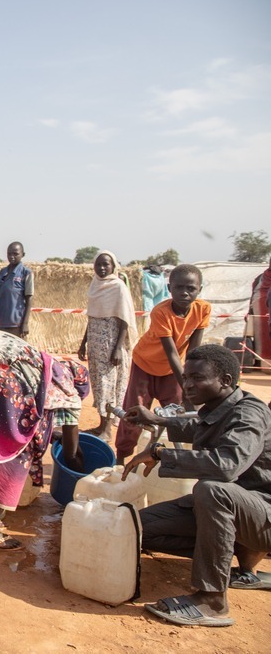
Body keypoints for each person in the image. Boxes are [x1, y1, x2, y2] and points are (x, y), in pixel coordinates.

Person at [122, 344, 271, 627]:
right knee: (137, 528)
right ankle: (225, 561)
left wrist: (160, 453)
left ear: (225, 381)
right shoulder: (219, 409)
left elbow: (227, 465)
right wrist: (158, 420)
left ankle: (212, 601)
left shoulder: (250, 413)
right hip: (236, 513)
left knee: (212, 489)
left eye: (197, 378)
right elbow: (200, 429)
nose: (187, 385)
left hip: (263, 517)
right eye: (186, 377)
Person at [0, 329, 86, 551]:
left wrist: (50, 433)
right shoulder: (68, 386)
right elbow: (71, 453)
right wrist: (80, 471)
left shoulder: (45, 366)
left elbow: (38, 410)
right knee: (15, 451)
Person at [116, 264, 210, 463]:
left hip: (171, 371)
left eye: (191, 288)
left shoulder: (203, 309)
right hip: (145, 364)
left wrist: (190, 381)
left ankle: (170, 460)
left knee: (177, 414)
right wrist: (187, 382)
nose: (185, 292)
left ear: (199, 290)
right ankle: (121, 458)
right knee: (134, 412)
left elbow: (194, 350)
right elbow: (171, 353)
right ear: (169, 288)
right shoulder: (161, 312)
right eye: (179, 287)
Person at [78, 251, 139, 438]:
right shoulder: (95, 285)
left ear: (114, 267)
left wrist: (119, 348)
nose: (102, 268)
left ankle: (107, 430)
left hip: (111, 343)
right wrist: (83, 343)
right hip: (96, 343)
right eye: (99, 264)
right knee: (98, 383)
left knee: (109, 385)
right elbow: (92, 317)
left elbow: (124, 320)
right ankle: (100, 424)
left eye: (106, 264)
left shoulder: (118, 287)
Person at [0, 241, 34, 337]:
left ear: (23, 255)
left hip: (17, 324)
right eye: (9, 254)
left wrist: (25, 324)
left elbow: (29, 299)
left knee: (19, 350)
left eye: (15, 254)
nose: (12, 257)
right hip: (2, 322)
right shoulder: (3, 272)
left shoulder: (26, 273)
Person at [250, 255, 271, 366]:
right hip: (260, 310)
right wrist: (249, 311)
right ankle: (261, 362)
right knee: (261, 336)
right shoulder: (261, 278)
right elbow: (254, 293)